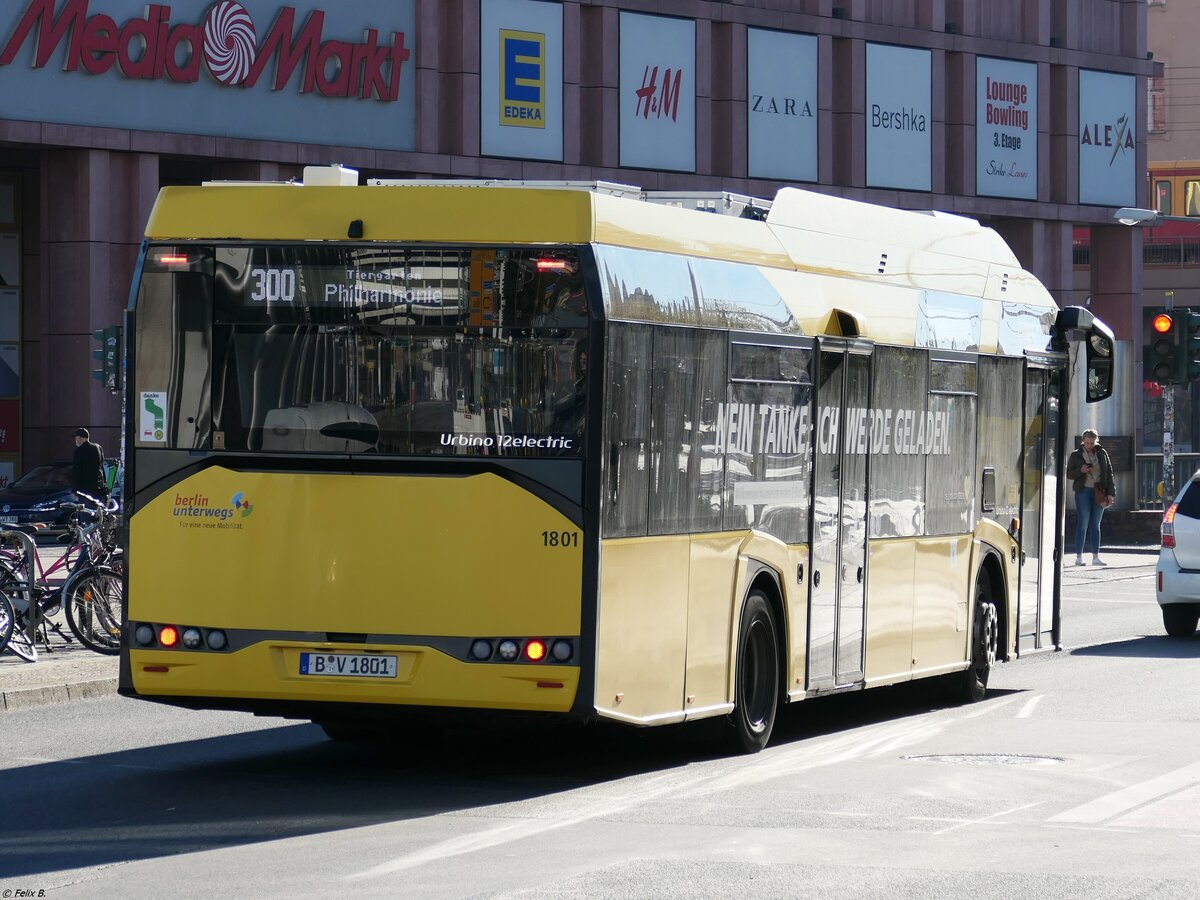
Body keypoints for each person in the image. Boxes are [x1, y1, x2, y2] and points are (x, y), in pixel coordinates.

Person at [1065, 428, 1115, 566]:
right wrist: (1081, 471)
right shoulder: (1076, 455)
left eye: (1092, 443)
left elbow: (1109, 473)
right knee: (1083, 523)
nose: (1089, 446)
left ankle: (1095, 557)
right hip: (1083, 491)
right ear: (1083, 442)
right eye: (1087, 443)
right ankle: (1079, 557)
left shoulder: (1102, 453)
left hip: (1099, 491)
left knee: (1096, 524)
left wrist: (1111, 493)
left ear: (1096, 441)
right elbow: (1069, 474)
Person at [72, 427, 106, 497]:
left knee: (86, 508)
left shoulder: (79, 451)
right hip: (98, 488)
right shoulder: (98, 447)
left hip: (85, 490)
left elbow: (76, 471)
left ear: (80, 438)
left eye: (76, 438)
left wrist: (74, 490)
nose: (75, 440)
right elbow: (102, 466)